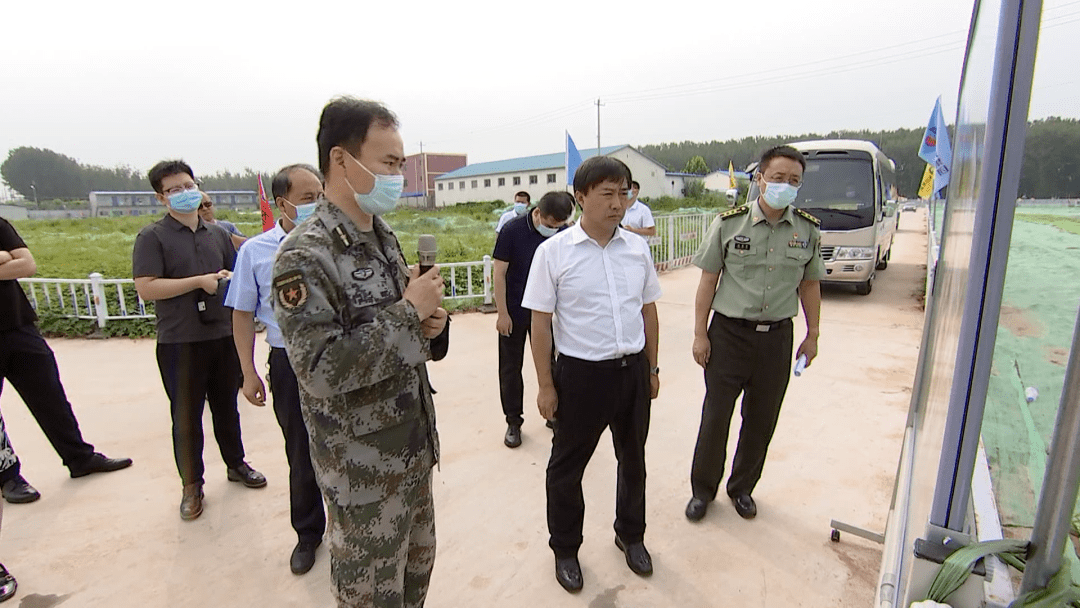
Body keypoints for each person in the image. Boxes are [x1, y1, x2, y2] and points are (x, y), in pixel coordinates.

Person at [272, 97, 448, 608]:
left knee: (414, 585)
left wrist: (432, 327)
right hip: (363, 476)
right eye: (388, 163)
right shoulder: (306, 254)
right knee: (370, 596)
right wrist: (409, 314)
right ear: (341, 160)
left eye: (400, 164)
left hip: (412, 455)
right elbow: (320, 369)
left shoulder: (382, 236)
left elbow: (402, 339)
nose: (398, 177)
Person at [522, 156, 661, 594]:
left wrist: (652, 367)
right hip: (581, 376)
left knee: (633, 461)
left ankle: (631, 535)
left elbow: (648, 310)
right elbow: (540, 323)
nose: (618, 203)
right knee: (567, 468)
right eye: (607, 194)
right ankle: (565, 549)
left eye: (624, 193)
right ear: (580, 197)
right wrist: (545, 385)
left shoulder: (637, 249)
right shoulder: (553, 253)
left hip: (632, 371)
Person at [684, 145, 824, 523]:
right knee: (716, 417)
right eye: (778, 178)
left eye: (794, 180)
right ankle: (702, 490)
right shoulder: (730, 224)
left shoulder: (807, 230)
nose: (785, 186)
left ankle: (742, 487)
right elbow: (708, 281)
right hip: (729, 335)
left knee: (762, 419)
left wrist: (812, 334)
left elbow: (810, 285)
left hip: (777, 339)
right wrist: (700, 334)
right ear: (760, 178)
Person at [133, 160, 266, 522]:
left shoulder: (217, 233)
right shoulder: (152, 237)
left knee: (227, 407)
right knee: (186, 415)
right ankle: (192, 485)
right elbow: (146, 287)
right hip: (181, 339)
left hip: (221, 334)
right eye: (175, 189)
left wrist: (224, 277)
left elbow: (236, 274)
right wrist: (198, 281)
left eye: (189, 186)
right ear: (161, 197)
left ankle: (236, 464)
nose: (185, 194)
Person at [225, 164, 326, 574]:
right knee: (300, 450)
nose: (317, 204)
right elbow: (242, 313)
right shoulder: (256, 251)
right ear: (282, 204)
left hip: (340, 357)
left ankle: (353, 526)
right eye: (307, 199)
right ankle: (308, 533)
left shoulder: (338, 242)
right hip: (289, 362)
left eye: (320, 196)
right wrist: (247, 371)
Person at [0, 217, 132, 505]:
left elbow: (27, 265)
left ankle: (79, 458)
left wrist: (10, 258)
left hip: (18, 327)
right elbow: (13, 262)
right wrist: (3, 258)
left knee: (50, 396)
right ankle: (8, 476)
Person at [493, 191, 573, 449]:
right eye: (550, 225)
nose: (553, 230)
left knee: (552, 364)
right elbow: (499, 273)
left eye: (558, 226)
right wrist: (502, 313)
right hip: (515, 311)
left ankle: (553, 413)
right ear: (537, 212)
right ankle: (513, 421)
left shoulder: (564, 233)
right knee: (510, 368)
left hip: (547, 313)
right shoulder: (512, 230)